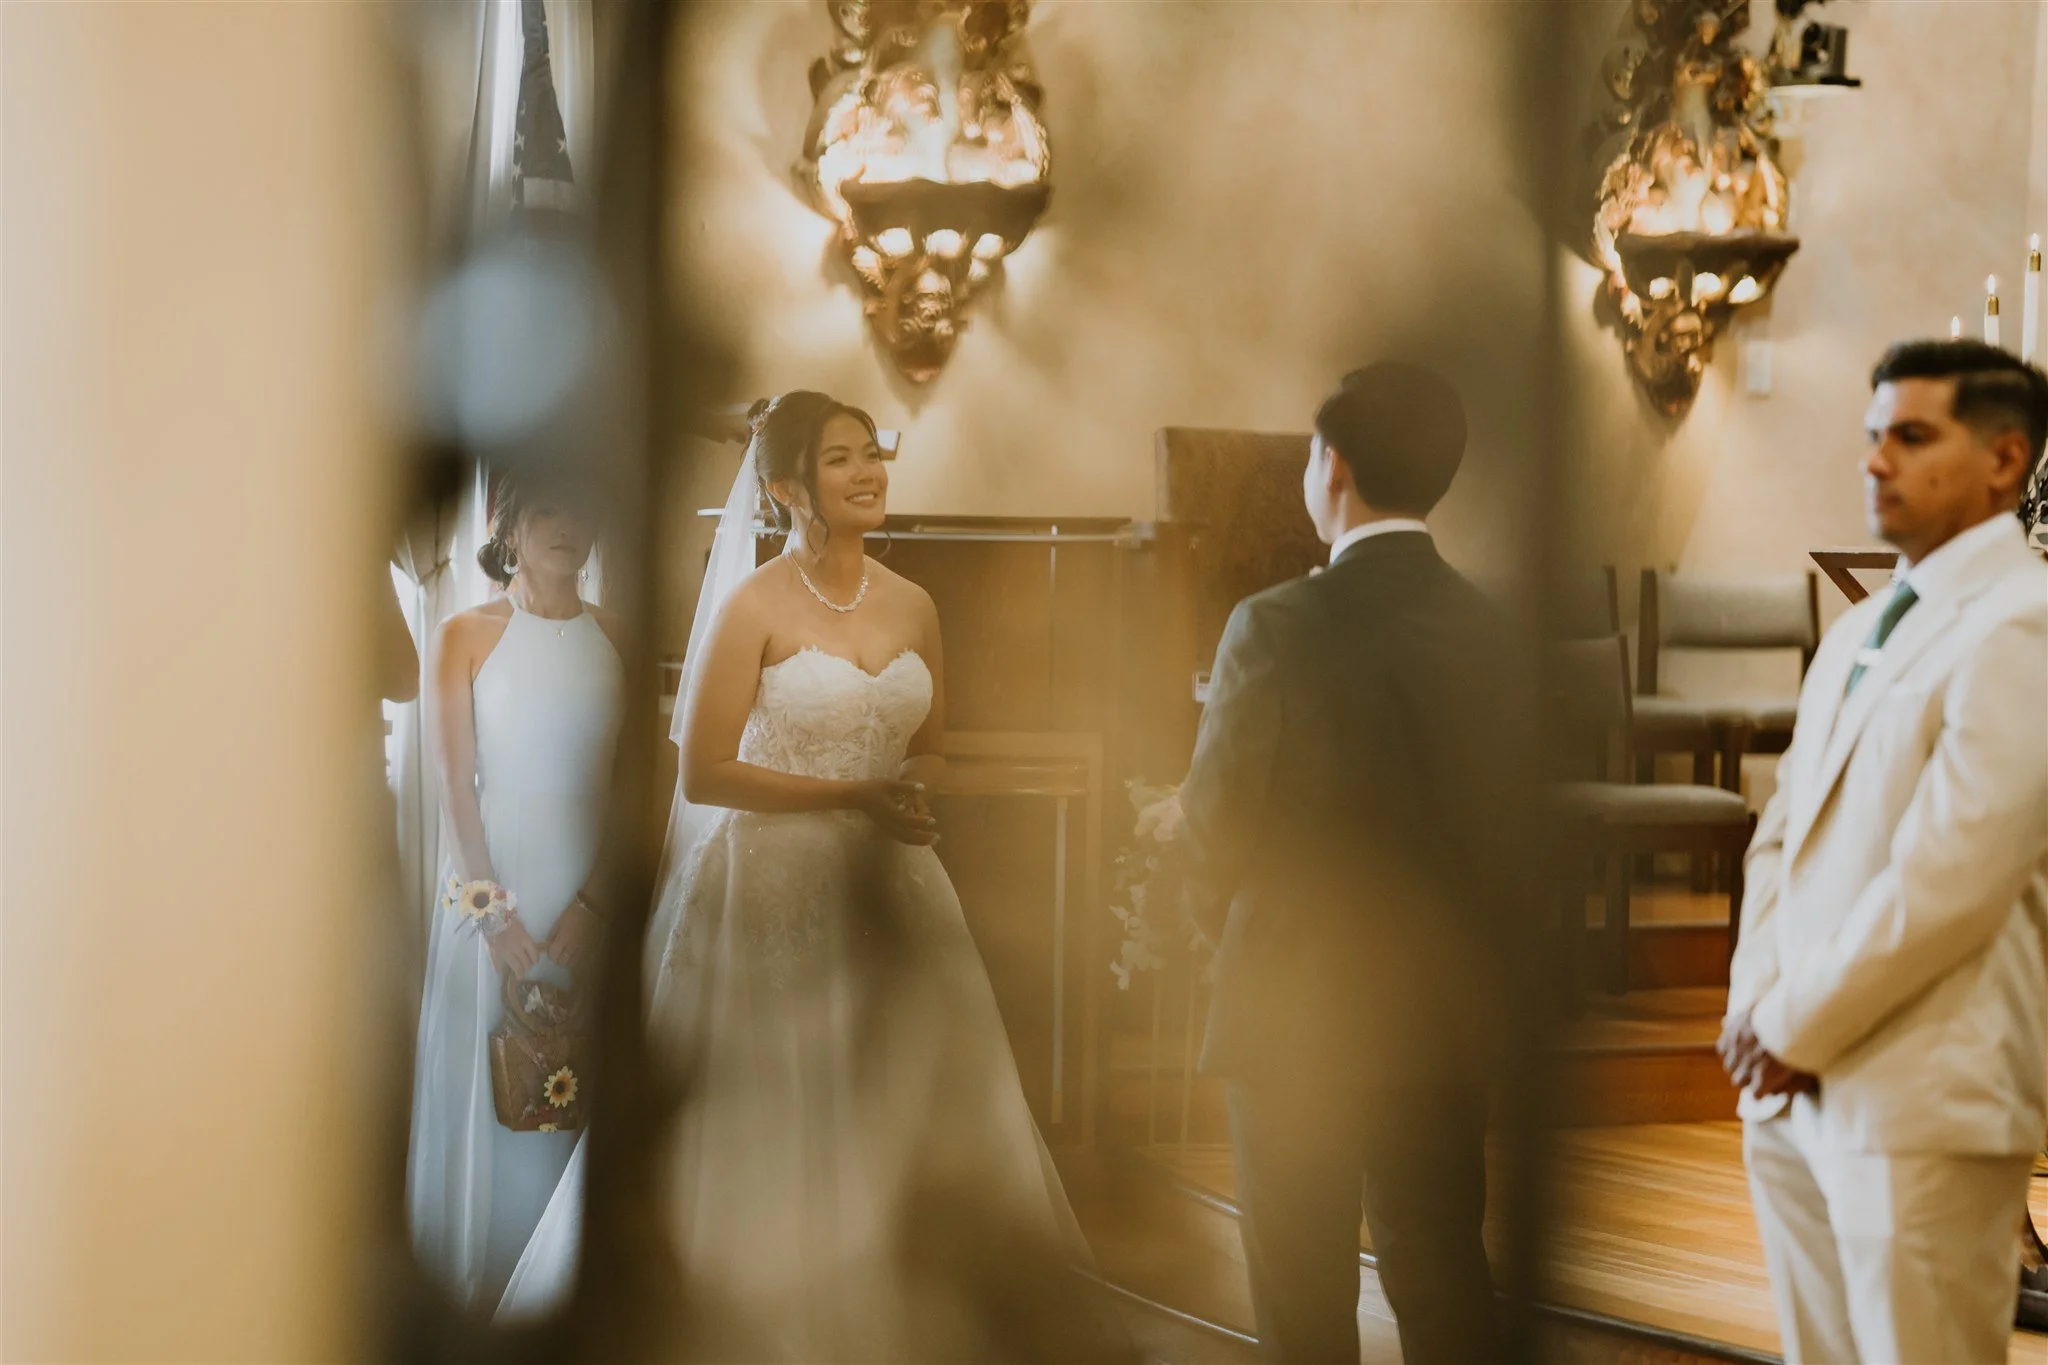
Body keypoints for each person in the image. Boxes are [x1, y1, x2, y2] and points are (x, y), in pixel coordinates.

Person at [499, 392, 1090, 1358]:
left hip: (895, 887)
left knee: (899, 1095)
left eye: (874, 455)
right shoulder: (754, 605)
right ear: (784, 486)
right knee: (768, 1108)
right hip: (765, 884)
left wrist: (909, 793)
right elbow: (704, 771)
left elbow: (933, 746)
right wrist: (849, 797)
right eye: (842, 459)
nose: (868, 474)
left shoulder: (915, 602)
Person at [1179, 363, 1519, 1363]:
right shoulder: (1495, 636)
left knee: (1300, 1294)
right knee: (1444, 1277)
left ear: (1329, 466)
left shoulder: (1275, 625)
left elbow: (1215, 822)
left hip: (1294, 1004)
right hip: (1441, 1007)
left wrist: (1222, 930)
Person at [1719, 339, 2048, 1364]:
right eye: (1869, 438)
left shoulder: (2020, 626)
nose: (1872, 462)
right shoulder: (1867, 624)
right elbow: (1778, 833)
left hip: (1918, 1097)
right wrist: (1753, 1006)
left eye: (1909, 438)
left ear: (2003, 459)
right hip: (1788, 1089)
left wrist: (1792, 1024)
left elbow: (1949, 879)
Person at [406, 469, 623, 1309]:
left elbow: (625, 786)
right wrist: (493, 917)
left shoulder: (617, 636)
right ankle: (478, 1280)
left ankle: (557, 1284)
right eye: (547, 511)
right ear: (511, 525)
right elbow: (455, 785)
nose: (566, 526)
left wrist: (595, 904)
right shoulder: (464, 632)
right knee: (491, 1065)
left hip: (583, 882)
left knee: (570, 1075)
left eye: (582, 509)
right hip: (488, 882)